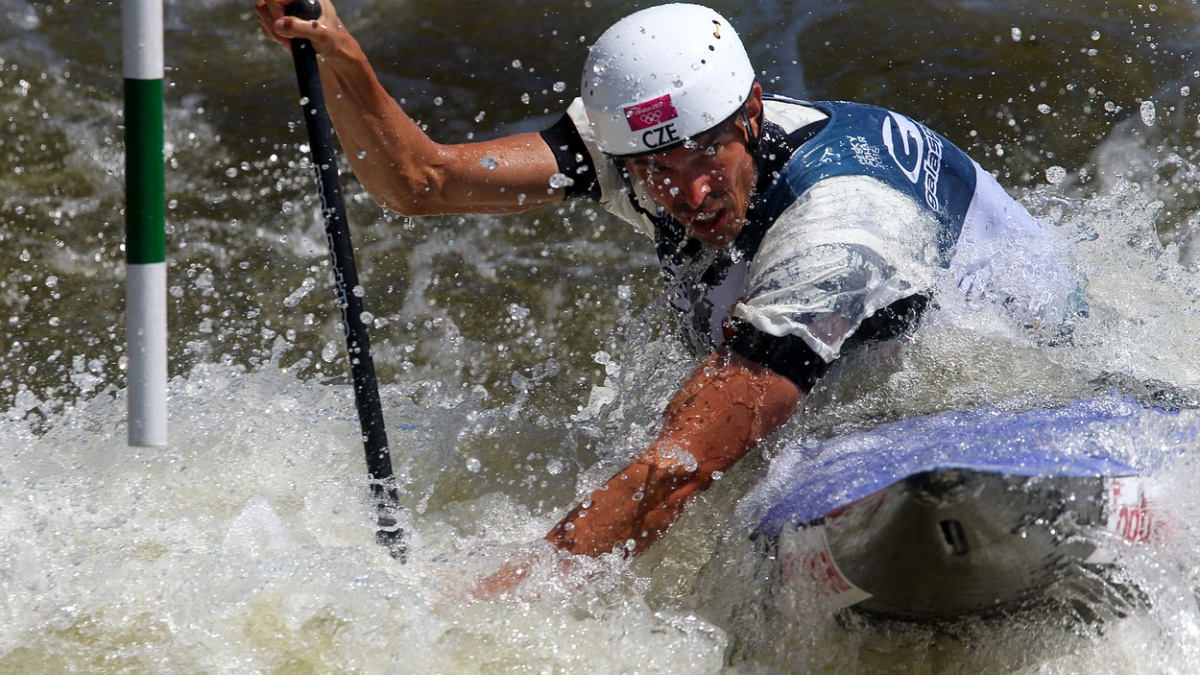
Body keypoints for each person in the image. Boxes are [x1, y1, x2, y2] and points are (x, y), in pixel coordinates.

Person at [256, 1, 1073, 584]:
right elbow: (422, 182)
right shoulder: (641, 136)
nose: (686, 195)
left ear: (750, 114)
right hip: (851, 339)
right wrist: (338, 54)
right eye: (655, 171)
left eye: (704, 158)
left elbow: (681, 467)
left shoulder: (843, 227)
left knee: (701, 431)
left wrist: (499, 604)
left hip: (1032, 376)